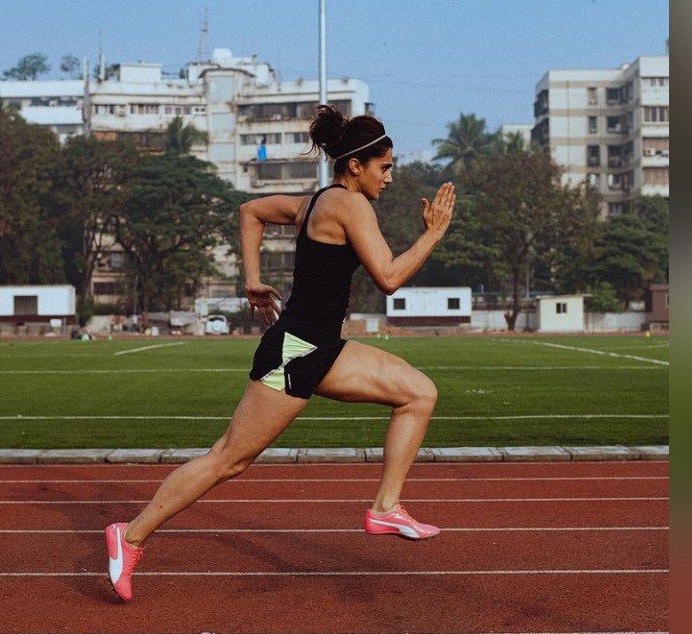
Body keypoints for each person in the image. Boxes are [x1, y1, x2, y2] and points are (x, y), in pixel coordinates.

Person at [106, 104, 456, 601]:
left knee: (419, 393)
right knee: (228, 459)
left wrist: (252, 280)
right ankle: (131, 534)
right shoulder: (350, 205)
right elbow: (391, 277)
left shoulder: (312, 202)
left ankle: (385, 508)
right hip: (295, 350)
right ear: (355, 166)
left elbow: (250, 212)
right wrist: (434, 233)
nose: (391, 177)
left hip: (322, 347)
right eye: (385, 167)